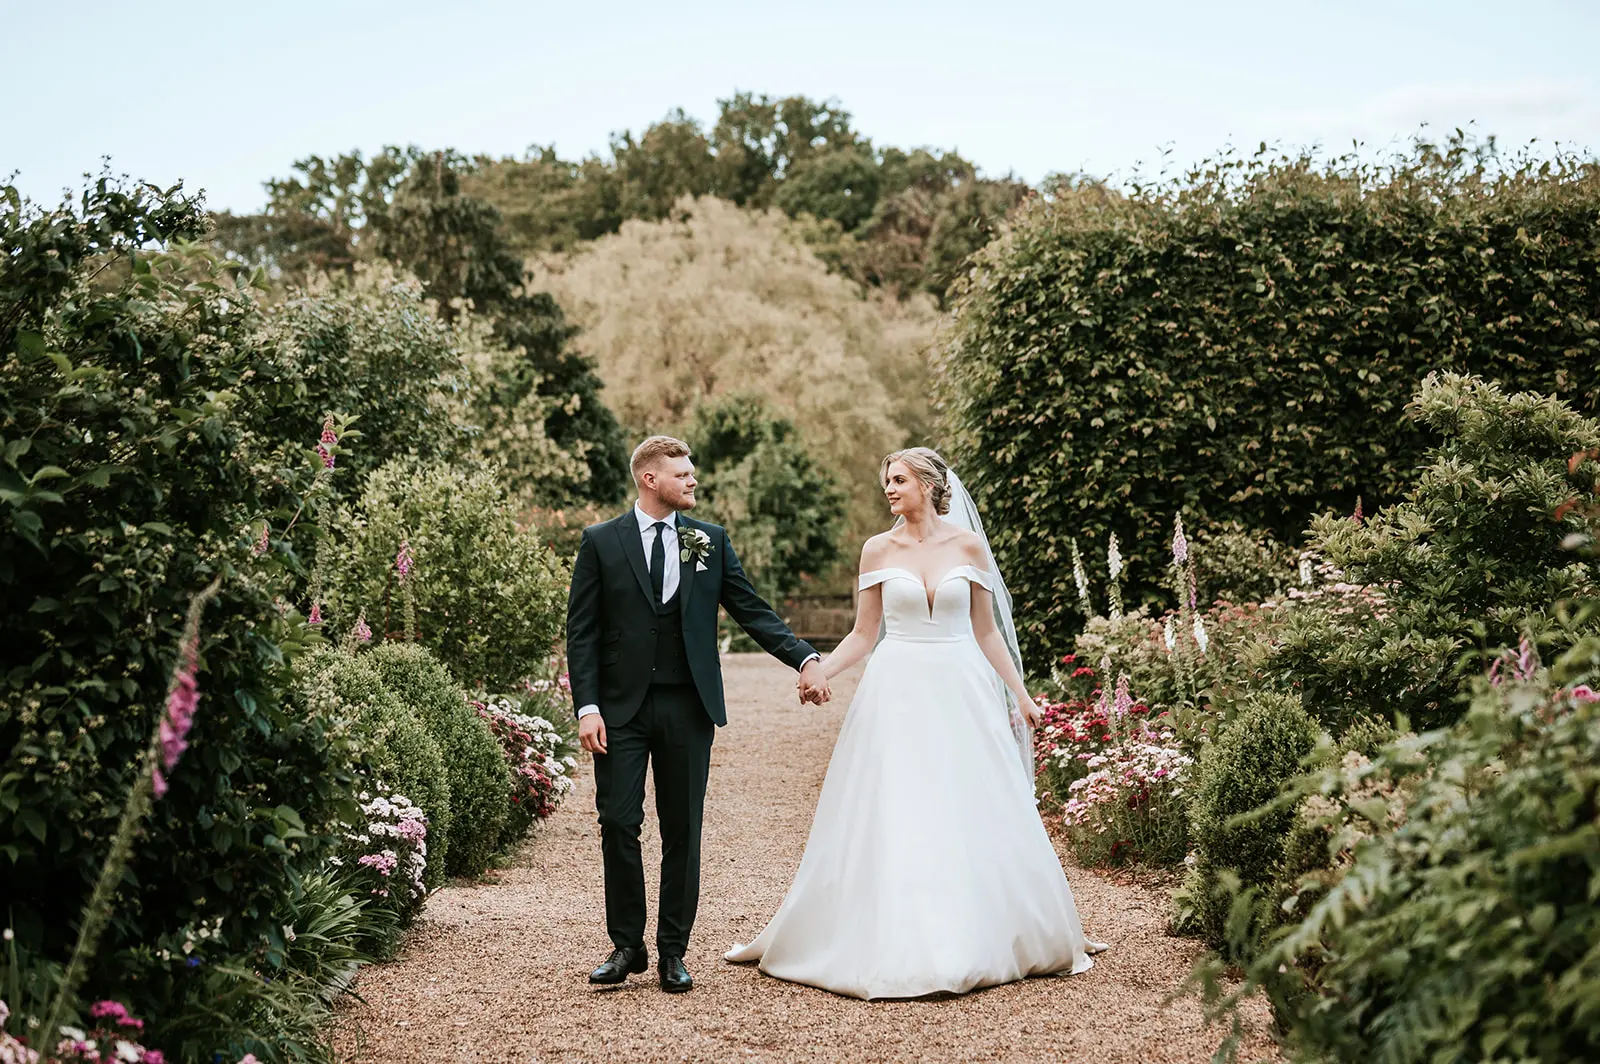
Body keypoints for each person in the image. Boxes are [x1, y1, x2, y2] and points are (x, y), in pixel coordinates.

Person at [725, 447, 1107, 999]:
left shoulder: (967, 546)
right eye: (887, 480)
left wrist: (1020, 695)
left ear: (928, 484)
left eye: (899, 479)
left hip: (962, 686)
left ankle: (990, 929)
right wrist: (819, 670)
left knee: (970, 801)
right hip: (897, 688)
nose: (889, 488)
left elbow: (987, 632)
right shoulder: (876, 549)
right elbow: (863, 633)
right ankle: (895, 931)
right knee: (900, 803)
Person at [565, 435, 831, 994]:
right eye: (681, 474)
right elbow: (582, 631)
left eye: (692, 474)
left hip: (689, 705)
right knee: (618, 820)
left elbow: (751, 609)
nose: (692, 482)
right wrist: (587, 706)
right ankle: (625, 945)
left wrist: (805, 658)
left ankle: (672, 952)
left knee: (682, 827)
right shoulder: (601, 542)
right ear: (649, 480)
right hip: (619, 710)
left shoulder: (709, 541)